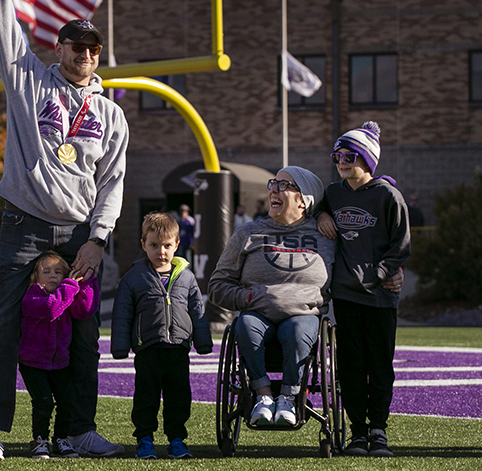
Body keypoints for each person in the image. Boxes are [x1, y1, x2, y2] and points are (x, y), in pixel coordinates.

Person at [0, 0, 129, 460]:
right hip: (24, 222)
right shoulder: (29, 84)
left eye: (91, 47)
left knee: (82, 332)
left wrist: (99, 237)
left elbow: (111, 182)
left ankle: (76, 431)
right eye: (74, 45)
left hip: (80, 233)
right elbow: (1, 29)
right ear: (58, 48)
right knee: (4, 325)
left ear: (98, 55)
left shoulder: (112, 115)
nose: (83, 53)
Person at [208, 167, 334, 428]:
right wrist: (249, 296)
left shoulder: (326, 236)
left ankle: (289, 398)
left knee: (300, 329)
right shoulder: (247, 233)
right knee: (245, 325)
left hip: (303, 317)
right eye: (273, 183)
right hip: (257, 314)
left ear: (303, 200)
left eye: (284, 185)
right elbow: (217, 286)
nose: (273, 190)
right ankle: (263, 396)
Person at [316, 121, 410, 457]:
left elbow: (401, 246)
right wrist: (321, 216)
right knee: (351, 366)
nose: (342, 161)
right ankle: (357, 432)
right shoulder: (333, 193)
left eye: (350, 155)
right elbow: (314, 209)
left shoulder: (388, 196)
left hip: (381, 296)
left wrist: (382, 273)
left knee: (380, 365)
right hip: (345, 295)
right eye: (337, 155)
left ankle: (378, 431)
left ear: (367, 160)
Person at [111, 212, 212, 460]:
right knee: (146, 398)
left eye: (167, 246)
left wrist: (203, 341)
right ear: (143, 244)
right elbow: (122, 312)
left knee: (179, 398)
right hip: (148, 350)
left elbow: (197, 310)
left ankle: (177, 440)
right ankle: (144, 440)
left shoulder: (186, 277)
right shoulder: (134, 277)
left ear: (177, 245)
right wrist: (120, 346)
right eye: (154, 245)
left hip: (178, 349)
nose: (161, 252)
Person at [19, 251, 99, 459]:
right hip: (33, 362)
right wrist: (69, 286)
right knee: (44, 402)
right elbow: (50, 309)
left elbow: (85, 310)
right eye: (46, 272)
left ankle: (61, 440)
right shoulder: (32, 295)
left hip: (60, 363)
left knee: (68, 401)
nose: (53, 275)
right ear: (36, 277)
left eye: (58, 272)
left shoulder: (65, 294)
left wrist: (87, 282)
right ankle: (39, 440)